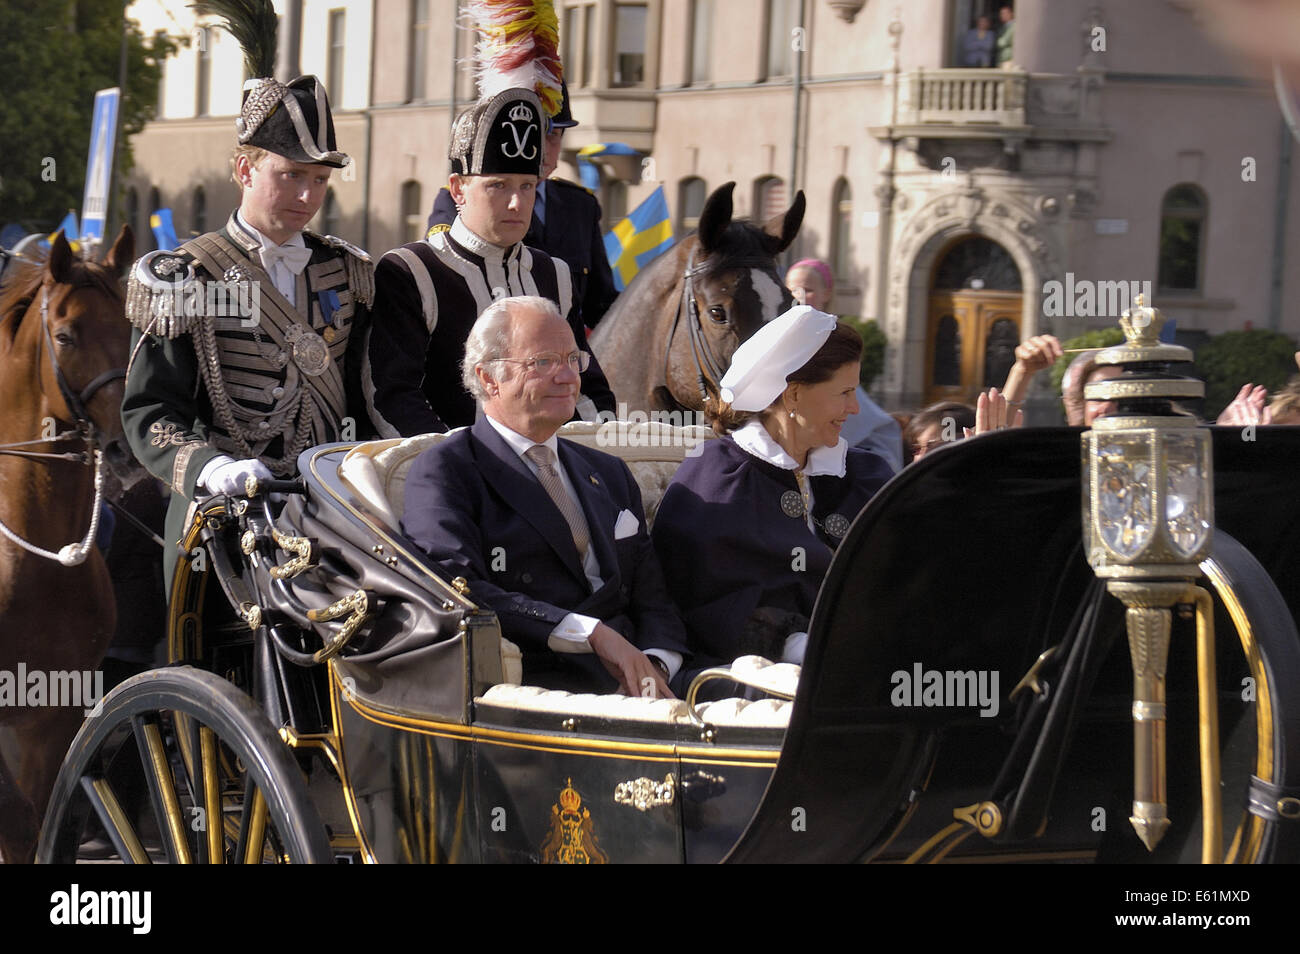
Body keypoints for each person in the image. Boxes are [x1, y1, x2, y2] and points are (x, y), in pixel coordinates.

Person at [122, 71, 373, 586]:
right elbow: (150, 412)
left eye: (319, 179)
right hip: (220, 521)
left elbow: (365, 400)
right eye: (290, 175)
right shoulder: (184, 277)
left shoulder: (345, 272)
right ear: (245, 169)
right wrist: (209, 469)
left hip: (328, 520)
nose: (306, 196)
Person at [401, 296, 688, 698]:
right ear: (488, 379)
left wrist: (654, 664)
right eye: (543, 362)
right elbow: (457, 589)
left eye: (573, 360)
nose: (568, 377)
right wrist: (589, 634)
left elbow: (653, 593)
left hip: (648, 678)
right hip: (538, 684)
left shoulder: (608, 471)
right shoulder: (448, 470)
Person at [651, 306, 894, 676]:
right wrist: (800, 645)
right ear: (793, 394)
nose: (855, 408)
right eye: (844, 392)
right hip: (757, 675)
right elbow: (703, 604)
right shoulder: (719, 478)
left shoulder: (862, 472)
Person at [366, 88, 617, 437]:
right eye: (499, 185)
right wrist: (455, 466)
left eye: (527, 186)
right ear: (458, 189)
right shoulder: (411, 270)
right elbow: (391, 396)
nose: (516, 202)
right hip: (450, 478)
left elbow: (585, 385)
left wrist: (592, 457)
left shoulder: (553, 274)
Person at [427, 82, 618, 330]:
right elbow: (444, 286)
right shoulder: (460, 201)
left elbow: (600, 306)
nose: (543, 149)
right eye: (535, 135)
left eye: (553, 136)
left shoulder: (580, 205)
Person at [784, 258, 904, 472]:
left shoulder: (836, 339)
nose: (799, 296)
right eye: (792, 289)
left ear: (827, 294)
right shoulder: (773, 337)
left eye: (808, 289)